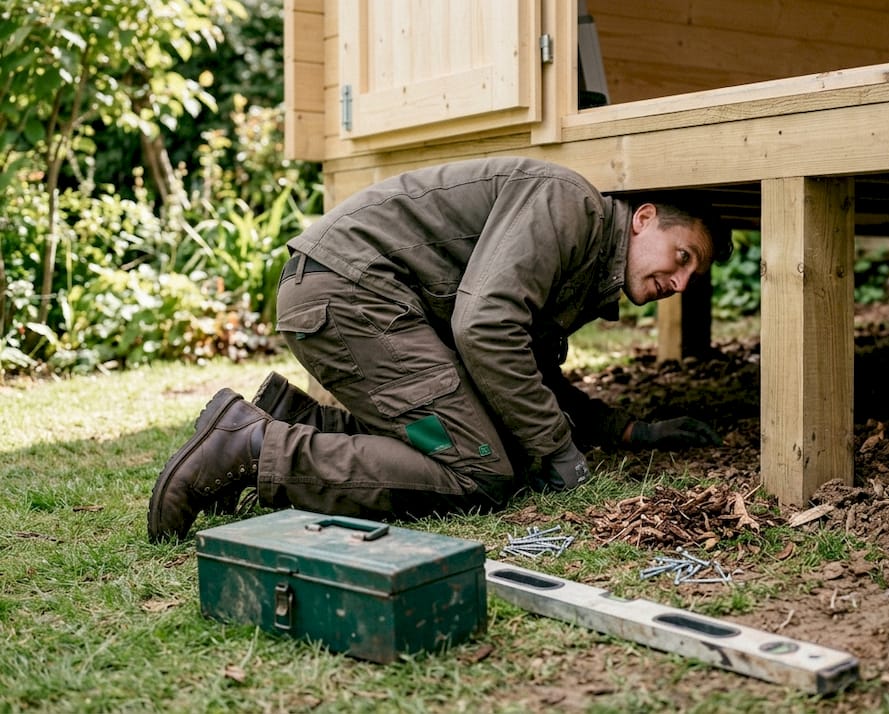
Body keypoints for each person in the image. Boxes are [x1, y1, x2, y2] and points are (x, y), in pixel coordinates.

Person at [148, 157, 731, 542]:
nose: (681, 283)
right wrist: (558, 451)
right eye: (682, 257)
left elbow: (522, 365)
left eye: (693, 276)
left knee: (494, 444)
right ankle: (251, 448)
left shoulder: (587, 247)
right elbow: (485, 328)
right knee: (479, 470)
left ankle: (289, 421)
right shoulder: (569, 205)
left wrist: (623, 430)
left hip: (356, 295)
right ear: (644, 219)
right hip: (353, 295)